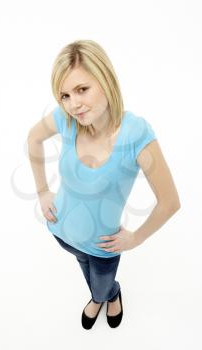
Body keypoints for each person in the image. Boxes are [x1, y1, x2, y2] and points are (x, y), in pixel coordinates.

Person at [27, 39, 181, 329]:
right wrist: (42, 191)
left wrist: (137, 238)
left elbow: (170, 201)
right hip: (61, 231)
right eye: (65, 95)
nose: (73, 104)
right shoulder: (66, 119)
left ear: (106, 79)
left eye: (82, 89)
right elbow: (33, 139)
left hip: (104, 247)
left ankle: (108, 295)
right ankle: (101, 294)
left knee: (99, 285)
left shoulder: (136, 134)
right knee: (83, 268)